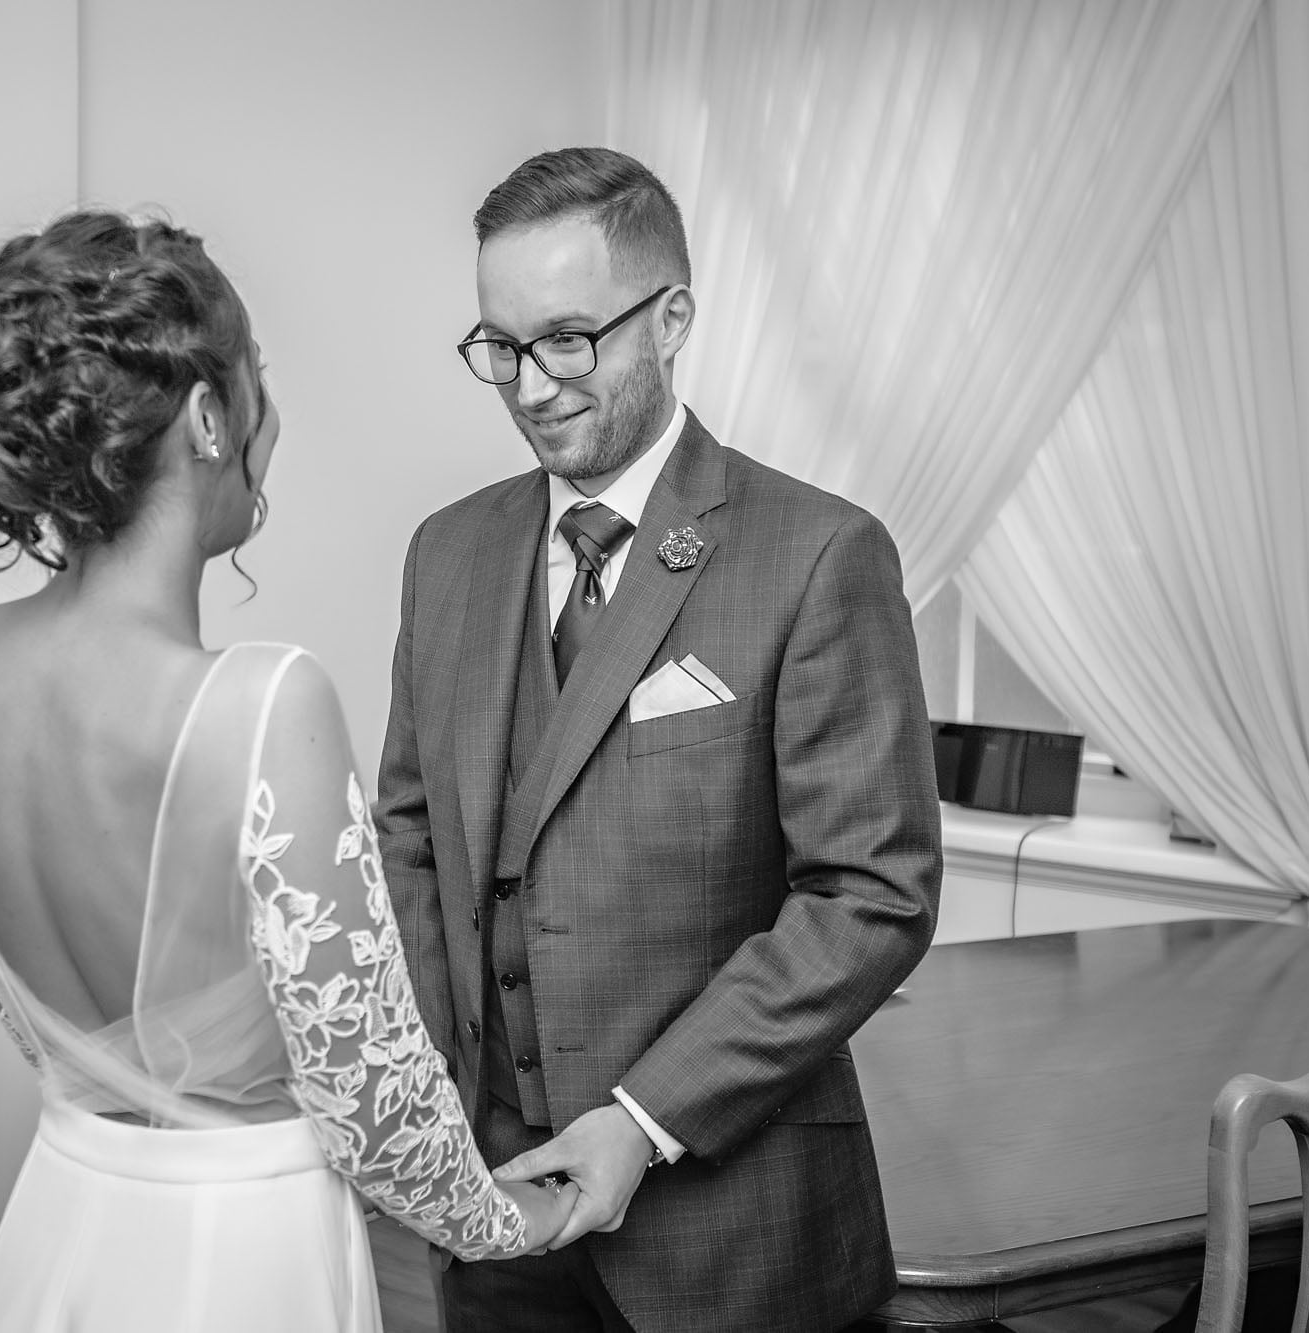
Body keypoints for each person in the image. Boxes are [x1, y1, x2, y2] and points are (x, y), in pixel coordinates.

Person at [0, 210, 574, 1332]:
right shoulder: (262, 705)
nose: (277, 418)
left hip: (64, 1212)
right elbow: (371, 1107)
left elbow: (49, 1028)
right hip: (238, 1253)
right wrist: (523, 1219)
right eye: (257, 375)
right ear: (211, 416)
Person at [376, 146, 943, 1332]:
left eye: (569, 339)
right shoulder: (445, 553)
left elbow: (869, 896)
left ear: (671, 314)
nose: (530, 386)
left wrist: (641, 1121)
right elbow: (410, 841)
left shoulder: (817, 554)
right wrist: (431, 1117)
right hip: (493, 1223)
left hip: (731, 1231)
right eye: (500, 346)